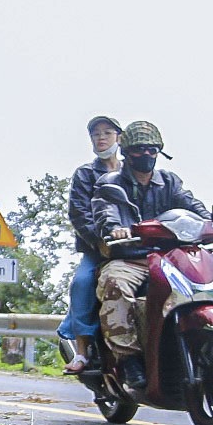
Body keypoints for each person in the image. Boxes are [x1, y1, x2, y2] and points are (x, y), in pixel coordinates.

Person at [91, 121, 213, 377]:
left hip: (169, 257)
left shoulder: (169, 182)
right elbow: (106, 212)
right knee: (115, 283)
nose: (146, 155)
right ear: (126, 153)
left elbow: (190, 204)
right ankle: (127, 359)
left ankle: (202, 348)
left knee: (203, 280)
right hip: (130, 259)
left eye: (151, 150)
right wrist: (116, 228)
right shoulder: (111, 184)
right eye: (138, 150)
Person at [59, 115, 122, 373]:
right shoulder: (86, 173)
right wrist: (99, 241)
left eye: (107, 132)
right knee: (83, 283)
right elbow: (79, 214)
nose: (102, 137)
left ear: (120, 137)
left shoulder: (133, 171)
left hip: (137, 247)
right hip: (99, 250)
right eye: (96, 134)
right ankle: (82, 352)